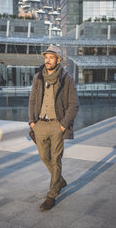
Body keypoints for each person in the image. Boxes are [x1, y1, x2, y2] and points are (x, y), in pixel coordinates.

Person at [28, 45, 79, 211]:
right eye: (46, 57)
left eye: (51, 57)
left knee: (56, 159)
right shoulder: (38, 77)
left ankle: (51, 195)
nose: (47, 60)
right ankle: (60, 180)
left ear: (58, 60)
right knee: (44, 157)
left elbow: (73, 105)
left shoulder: (66, 79)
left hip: (57, 124)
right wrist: (32, 122)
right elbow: (32, 101)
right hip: (40, 124)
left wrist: (63, 125)